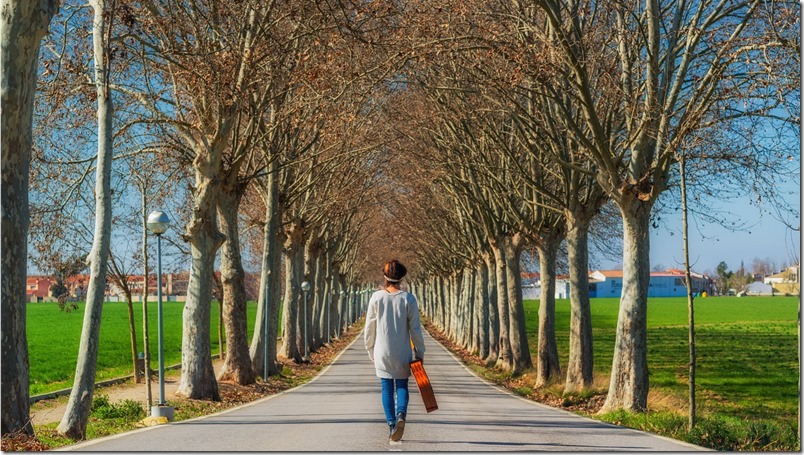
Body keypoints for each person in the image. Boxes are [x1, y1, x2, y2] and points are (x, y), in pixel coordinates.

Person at [364, 259, 426, 442]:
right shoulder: (408, 299)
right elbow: (415, 329)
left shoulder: (376, 297)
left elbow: (369, 327)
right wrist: (420, 353)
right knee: (401, 386)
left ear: (385, 277)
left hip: (382, 351)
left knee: (386, 388)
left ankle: (392, 425)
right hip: (402, 351)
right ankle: (401, 415)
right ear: (401, 278)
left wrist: (370, 350)